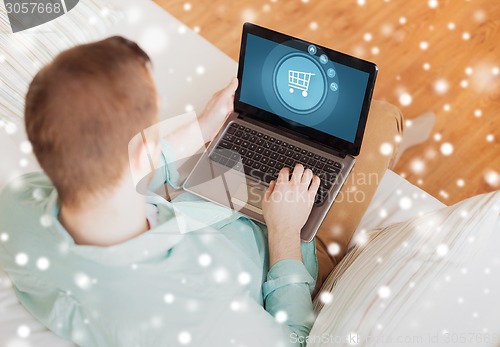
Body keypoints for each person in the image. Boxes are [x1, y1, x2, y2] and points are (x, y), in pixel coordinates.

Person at [0, 37, 403, 346]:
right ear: (143, 146)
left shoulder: (15, 208)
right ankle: (406, 134)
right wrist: (284, 233)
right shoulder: (198, 308)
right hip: (281, 244)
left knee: (250, 138)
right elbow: (294, 340)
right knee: (380, 119)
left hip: (202, 199)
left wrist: (202, 129)